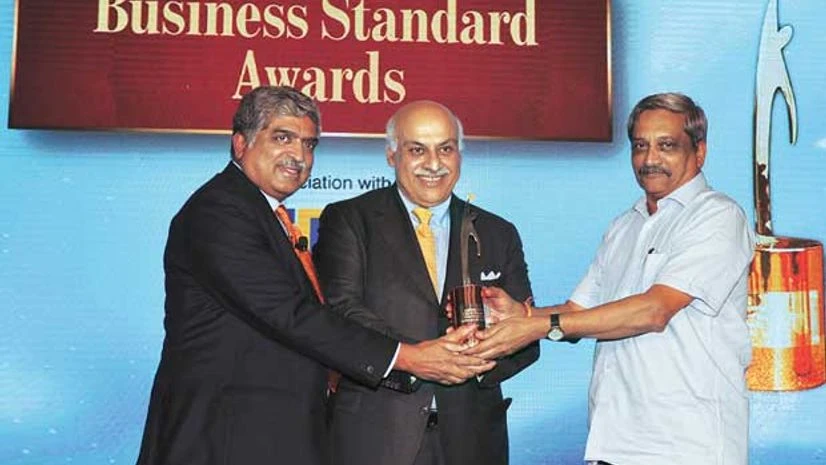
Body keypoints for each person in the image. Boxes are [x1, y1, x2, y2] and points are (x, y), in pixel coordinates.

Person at [135, 86, 494, 465]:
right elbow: (290, 315)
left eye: (309, 144)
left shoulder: (264, 216)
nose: (299, 156)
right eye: (282, 138)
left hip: (264, 437)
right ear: (240, 144)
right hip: (221, 440)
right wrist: (407, 357)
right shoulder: (219, 212)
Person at [464, 93, 755, 465]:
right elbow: (578, 311)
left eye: (667, 145)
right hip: (613, 443)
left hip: (687, 445)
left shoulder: (717, 216)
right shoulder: (624, 226)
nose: (650, 159)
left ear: (699, 151)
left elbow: (655, 310)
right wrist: (522, 318)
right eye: (640, 146)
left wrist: (539, 327)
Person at [313, 100, 539, 465]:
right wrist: (418, 358)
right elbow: (341, 314)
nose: (434, 164)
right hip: (375, 438)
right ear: (391, 154)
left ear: (460, 155)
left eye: (445, 149)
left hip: (473, 441)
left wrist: (476, 359)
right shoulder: (350, 219)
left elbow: (527, 338)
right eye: (417, 149)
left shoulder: (499, 232)